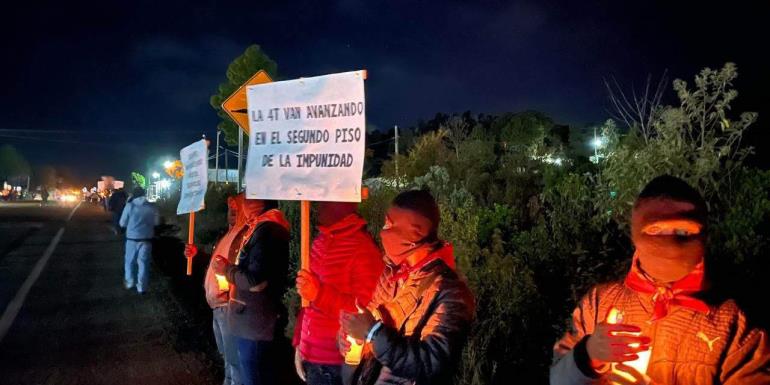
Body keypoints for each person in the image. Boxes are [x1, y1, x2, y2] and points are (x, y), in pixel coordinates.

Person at [550, 175, 770, 385]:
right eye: (655, 229)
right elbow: (557, 378)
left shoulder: (735, 323)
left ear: (703, 236)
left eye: (683, 231)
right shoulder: (599, 303)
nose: (670, 242)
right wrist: (586, 355)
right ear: (635, 234)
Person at [339, 189, 475, 385]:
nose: (383, 231)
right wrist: (354, 338)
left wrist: (372, 333)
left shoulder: (451, 293)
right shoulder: (392, 273)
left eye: (389, 224)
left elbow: (431, 364)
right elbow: (372, 321)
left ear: (414, 232)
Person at [293, 202, 384, 385]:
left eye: (324, 201)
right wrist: (300, 343)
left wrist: (319, 294)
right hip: (312, 354)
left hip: (335, 363)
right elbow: (307, 301)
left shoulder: (363, 250)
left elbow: (364, 312)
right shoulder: (320, 241)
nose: (317, 207)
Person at [210, 199, 290, 385]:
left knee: (251, 375)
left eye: (246, 197)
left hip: (253, 324)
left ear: (257, 202)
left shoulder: (268, 231)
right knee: (241, 369)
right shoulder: (256, 228)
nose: (241, 205)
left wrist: (227, 271)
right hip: (245, 320)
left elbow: (256, 281)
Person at [185, 194, 248, 385]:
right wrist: (198, 255)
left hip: (230, 308)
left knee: (235, 363)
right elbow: (217, 263)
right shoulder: (228, 234)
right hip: (219, 308)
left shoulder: (245, 236)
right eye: (230, 208)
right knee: (227, 359)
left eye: (237, 208)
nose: (232, 211)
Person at [119, 186, 159, 294]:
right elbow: (157, 222)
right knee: (143, 263)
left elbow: (122, 223)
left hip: (132, 239)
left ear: (134, 194)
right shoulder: (152, 207)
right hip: (146, 239)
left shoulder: (130, 206)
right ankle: (142, 288)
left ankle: (130, 282)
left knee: (129, 261)